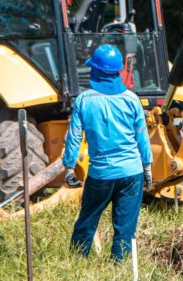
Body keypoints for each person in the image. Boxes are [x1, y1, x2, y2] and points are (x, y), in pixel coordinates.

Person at [63, 44, 153, 262]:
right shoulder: (132, 99)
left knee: (87, 221)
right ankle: (120, 267)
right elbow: (142, 136)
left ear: (95, 71)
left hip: (100, 175)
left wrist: (69, 168)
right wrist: (147, 167)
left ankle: (76, 262)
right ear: (119, 71)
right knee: (125, 227)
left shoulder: (85, 100)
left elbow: (74, 136)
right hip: (132, 174)